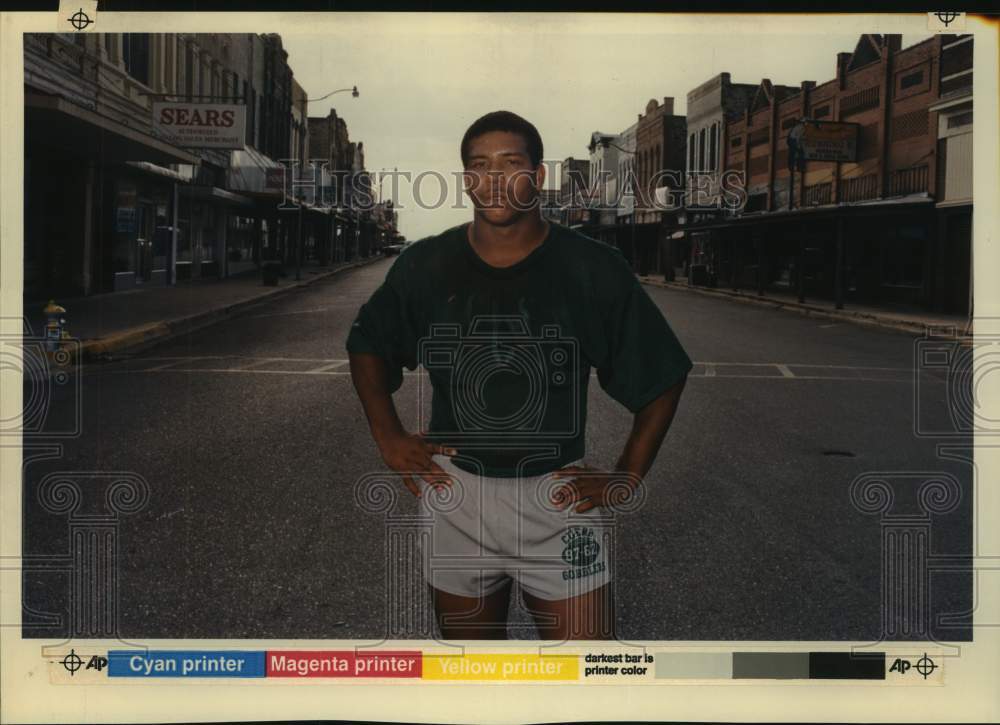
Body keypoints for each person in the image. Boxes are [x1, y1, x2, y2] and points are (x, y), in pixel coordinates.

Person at [346, 110, 692, 641]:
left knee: (585, 675)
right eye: (480, 166)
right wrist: (387, 435)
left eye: (512, 164)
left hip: (556, 498)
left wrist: (626, 477)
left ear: (539, 174)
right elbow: (368, 343)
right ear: (466, 179)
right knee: (476, 679)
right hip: (455, 495)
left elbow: (663, 374)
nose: (495, 179)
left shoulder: (592, 267)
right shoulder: (427, 263)